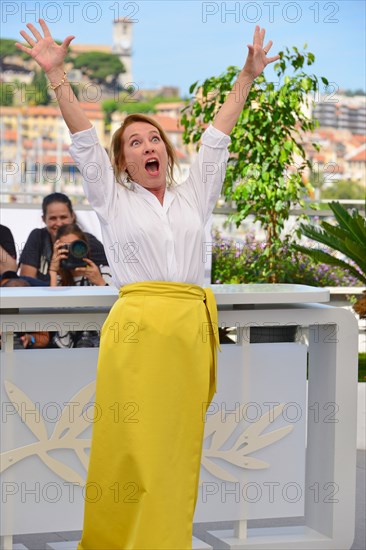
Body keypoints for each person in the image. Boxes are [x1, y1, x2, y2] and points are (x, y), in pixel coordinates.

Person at [16, 20, 279, 549]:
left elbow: (219, 133)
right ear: (125, 161)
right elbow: (84, 139)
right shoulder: (112, 197)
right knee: (128, 451)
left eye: (154, 137)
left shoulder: (194, 193)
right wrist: (57, 77)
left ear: (166, 151)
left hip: (186, 334)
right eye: (135, 142)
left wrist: (248, 77)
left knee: (175, 456)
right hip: (135, 335)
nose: (148, 145)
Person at [19, 192, 108, 283]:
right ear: (44, 219)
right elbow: (26, 282)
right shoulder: (38, 237)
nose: (59, 223)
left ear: (72, 216)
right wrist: (53, 271)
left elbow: (109, 274)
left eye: (63, 217)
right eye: (53, 218)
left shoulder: (88, 242)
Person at [49, 223, 111, 348]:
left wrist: (100, 282)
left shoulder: (103, 272)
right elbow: (52, 307)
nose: (73, 252)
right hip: (66, 345)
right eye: (66, 247)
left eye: (76, 246)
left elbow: (115, 308)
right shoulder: (58, 279)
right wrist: (53, 271)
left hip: (101, 343)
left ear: (86, 247)